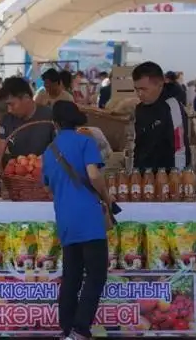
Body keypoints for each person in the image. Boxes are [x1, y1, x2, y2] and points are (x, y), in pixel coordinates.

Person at [43, 101, 113, 340]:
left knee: (72, 276)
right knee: (96, 274)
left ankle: (66, 329)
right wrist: (106, 197)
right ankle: (81, 329)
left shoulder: (49, 151)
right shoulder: (86, 141)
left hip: (65, 218)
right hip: (89, 218)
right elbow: (93, 175)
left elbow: (49, 186)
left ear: (55, 123)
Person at [0, 77, 56, 176]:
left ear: (26, 98)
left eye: (11, 104)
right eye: (7, 105)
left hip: (46, 177)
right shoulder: (7, 120)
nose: (9, 110)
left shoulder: (50, 116)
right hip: (17, 179)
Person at [131, 61, 190, 170]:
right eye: (136, 89)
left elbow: (179, 147)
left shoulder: (172, 106)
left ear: (160, 85)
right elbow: (137, 144)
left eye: (144, 89)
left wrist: (177, 175)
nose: (139, 94)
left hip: (168, 175)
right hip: (143, 175)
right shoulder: (139, 109)